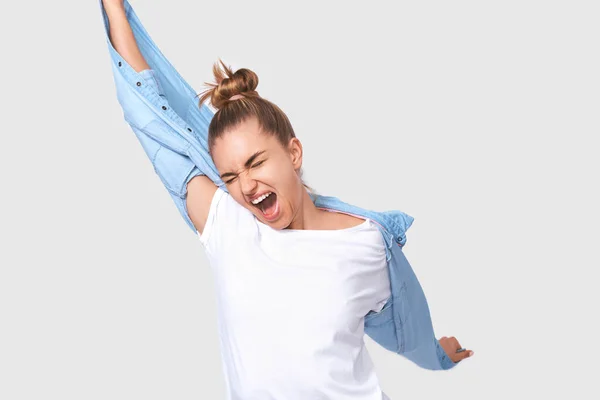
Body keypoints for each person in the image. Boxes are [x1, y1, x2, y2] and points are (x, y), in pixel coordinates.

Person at [100, 1, 473, 398]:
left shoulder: (367, 242)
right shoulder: (227, 224)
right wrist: (114, 9)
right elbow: (149, 117)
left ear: (293, 153)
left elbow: (404, 326)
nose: (245, 185)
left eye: (255, 162)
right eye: (229, 176)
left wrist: (437, 353)